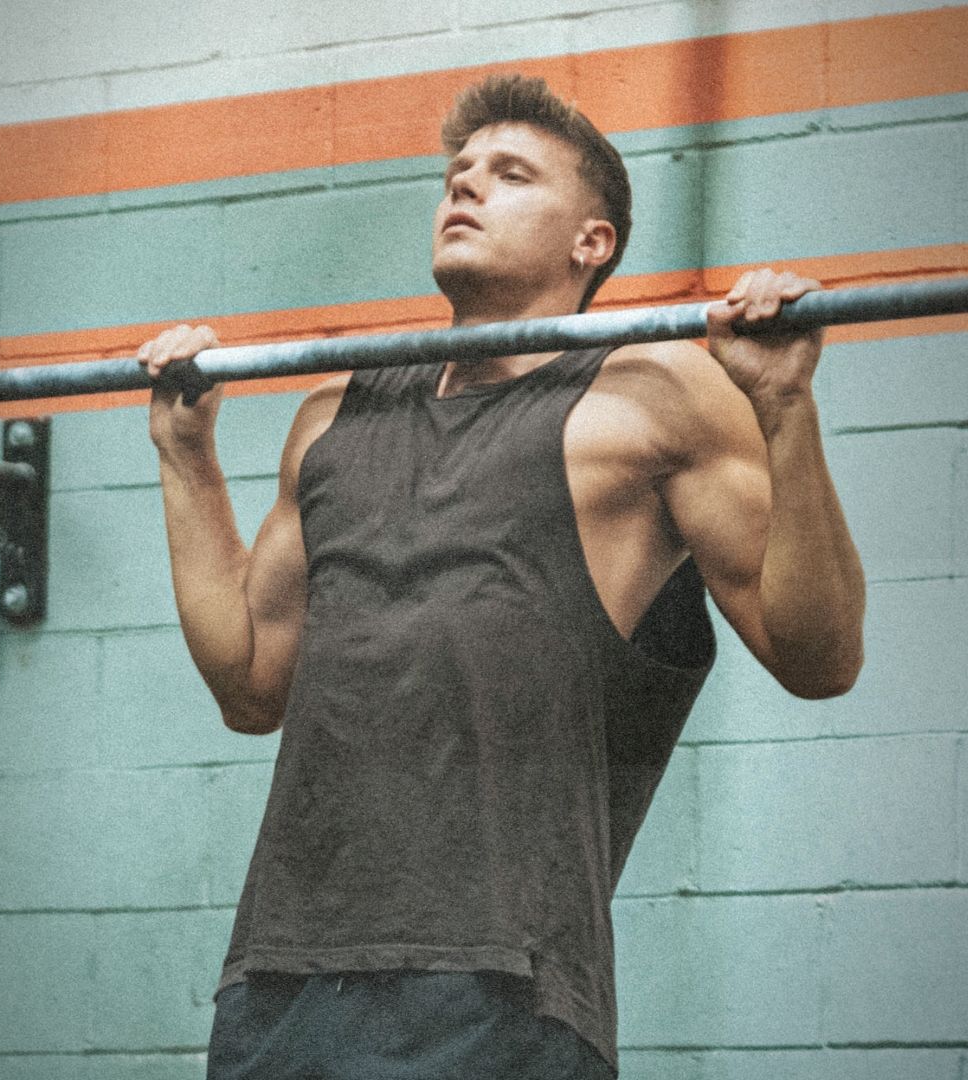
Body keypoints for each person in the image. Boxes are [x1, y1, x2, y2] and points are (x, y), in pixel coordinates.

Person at [138, 75, 865, 1080]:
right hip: (280, 976)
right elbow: (251, 686)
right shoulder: (334, 416)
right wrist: (186, 459)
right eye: (459, 173)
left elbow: (821, 660)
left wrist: (785, 409)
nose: (467, 187)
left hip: (503, 982)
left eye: (511, 174)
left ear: (592, 242)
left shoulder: (651, 395)